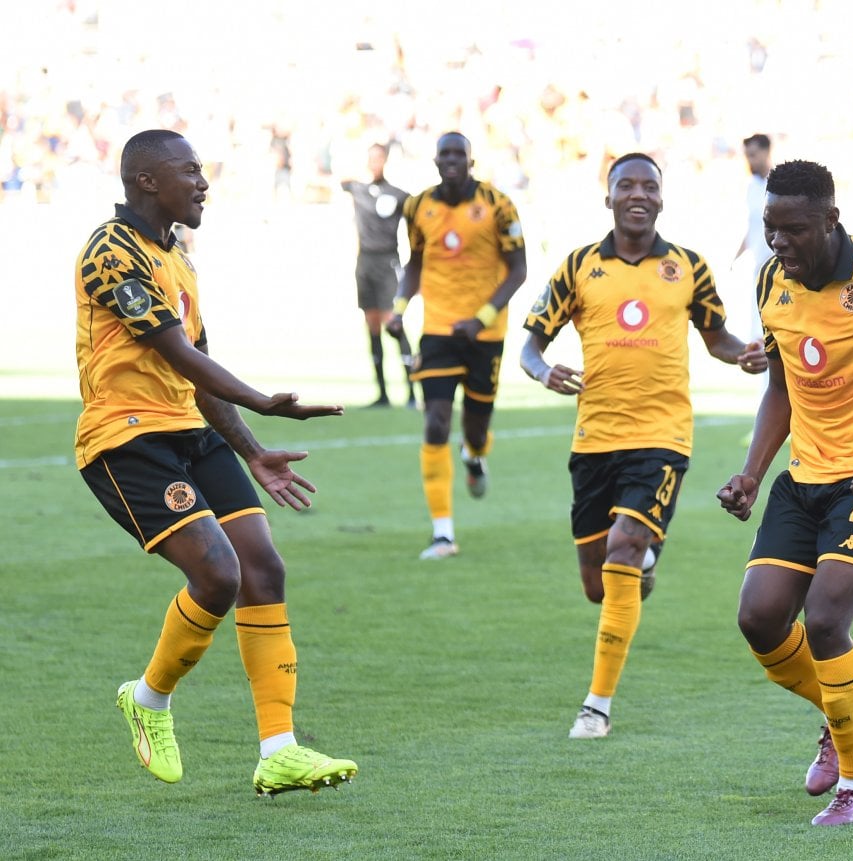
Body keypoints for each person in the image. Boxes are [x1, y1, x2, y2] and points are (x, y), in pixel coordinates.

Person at [74, 129, 358, 797]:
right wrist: (263, 402)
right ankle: (148, 697)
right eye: (189, 171)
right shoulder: (111, 252)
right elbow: (179, 353)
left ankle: (279, 749)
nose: (203, 183)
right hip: (127, 437)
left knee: (263, 564)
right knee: (219, 572)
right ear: (147, 181)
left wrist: (254, 450)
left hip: (189, 429)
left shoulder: (179, 259)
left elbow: (197, 380)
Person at [716, 160, 853, 826]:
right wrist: (753, 472)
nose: (778, 242)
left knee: (824, 619)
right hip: (804, 477)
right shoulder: (769, 282)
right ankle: (841, 711)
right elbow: (780, 388)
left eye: (792, 229)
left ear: (829, 221)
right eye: (769, 228)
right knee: (758, 617)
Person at [520, 152, 767, 740]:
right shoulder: (579, 266)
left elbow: (717, 338)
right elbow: (529, 345)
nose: (638, 193)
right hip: (594, 440)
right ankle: (643, 563)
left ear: (662, 198)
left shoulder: (688, 267)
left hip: (662, 437)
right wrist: (541, 371)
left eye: (649, 186)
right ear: (607, 198)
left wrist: (744, 356)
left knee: (624, 545)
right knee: (596, 582)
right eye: (625, 184)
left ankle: (596, 706)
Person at [387, 131, 527, 560]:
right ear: (434, 160)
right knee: (435, 422)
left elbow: (518, 270)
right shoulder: (416, 206)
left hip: (485, 333)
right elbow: (414, 265)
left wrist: (481, 317)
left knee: (477, 428)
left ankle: (474, 455)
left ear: (471, 161)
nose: (451, 160)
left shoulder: (498, 205)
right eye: (444, 153)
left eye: (458, 154)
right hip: (438, 331)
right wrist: (398, 308)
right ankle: (443, 533)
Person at [340, 143, 416, 408]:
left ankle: (411, 393)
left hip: (388, 263)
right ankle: (382, 394)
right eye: (370, 158)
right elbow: (337, 176)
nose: (374, 163)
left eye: (379, 158)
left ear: (386, 160)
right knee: (372, 327)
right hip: (365, 263)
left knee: (393, 324)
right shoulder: (357, 189)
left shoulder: (399, 195)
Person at [732, 134, 774, 342]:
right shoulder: (752, 186)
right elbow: (752, 227)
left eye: (753, 155)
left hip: (781, 269)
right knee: (759, 336)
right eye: (747, 155)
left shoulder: (780, 185)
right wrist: (736, 258)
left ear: (767, 152)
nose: (750, 160)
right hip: (759, 269)